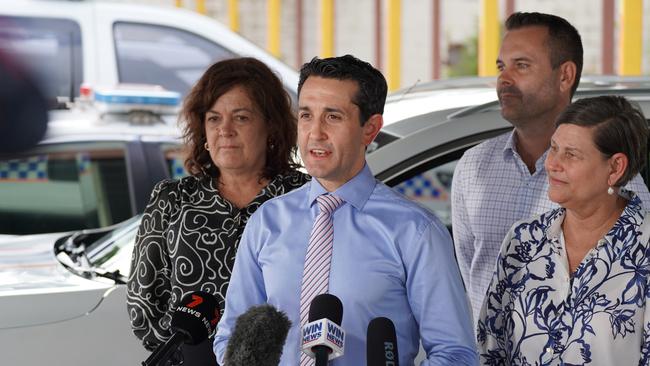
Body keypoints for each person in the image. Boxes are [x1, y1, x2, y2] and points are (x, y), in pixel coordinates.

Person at [213, 55, 477, 365]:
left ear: (370, 128)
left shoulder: (415, 231)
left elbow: (455, 354)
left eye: (333, 117)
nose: (315, 132)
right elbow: (230, 337)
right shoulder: (268, 222)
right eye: (307, 115)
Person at [451, 12, 650, 322]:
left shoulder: (612, 176)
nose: (504, 79)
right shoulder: (473, 166)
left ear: (565, 76)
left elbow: (636, 288)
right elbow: (469, 271)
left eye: (521, 65)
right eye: (502, 67)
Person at [126, 57, 309, 366]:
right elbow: (144, 306)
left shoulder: (304, 198)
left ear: (271, 127)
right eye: (214, 118)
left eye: (241, 118)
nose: (225, 130)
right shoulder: (172, 199)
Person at [478, 95, 650, 364]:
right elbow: (490, 350)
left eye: (571, 154)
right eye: (554, 148)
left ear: (615, 167)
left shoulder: (645, 249)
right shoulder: (524, 240)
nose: (552, 164)